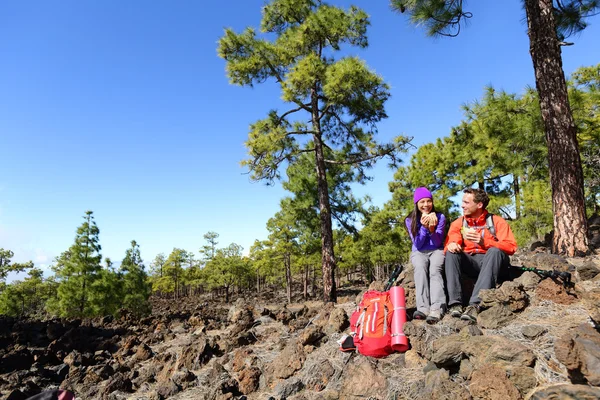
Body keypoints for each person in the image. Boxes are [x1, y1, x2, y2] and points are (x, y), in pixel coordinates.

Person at [444, 188, 517, 323]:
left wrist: (485, 242)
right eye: (462, 202)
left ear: (479, 205)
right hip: (471, 262)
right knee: (450, 252)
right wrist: (453, 244)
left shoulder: (497, 221)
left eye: (466, 202)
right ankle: (455, 304)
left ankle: (475, 305)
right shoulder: (459, 223)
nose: (462, 205)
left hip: (494, 263)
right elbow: (453, 237)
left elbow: (511, 247)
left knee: (494, 251)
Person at [405, 187, 446, 324]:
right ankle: (423, 308)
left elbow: (437, 242)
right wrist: (423, 227)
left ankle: (437, 308)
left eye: (429, 201)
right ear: (416, 203)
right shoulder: (410, 220)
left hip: (437, 250)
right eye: (422, 201)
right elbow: (418, 244)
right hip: (419, 251)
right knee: (420, 269)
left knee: (435, 270)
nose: (426, 205)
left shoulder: (440, 217)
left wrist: (432, 229)